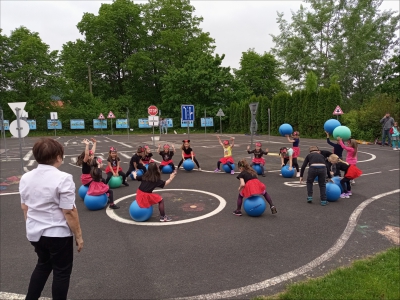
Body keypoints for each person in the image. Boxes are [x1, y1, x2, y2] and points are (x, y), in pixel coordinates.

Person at [19, 138, 83, 300]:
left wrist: (31, 227)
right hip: (57, 234)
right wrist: (79, 236)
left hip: (35, 233)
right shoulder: (63, 178)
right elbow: (69, 211)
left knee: (43, 265)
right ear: (58, 156)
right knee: (61, 272)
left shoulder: (26, 178)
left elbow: (25, 207)